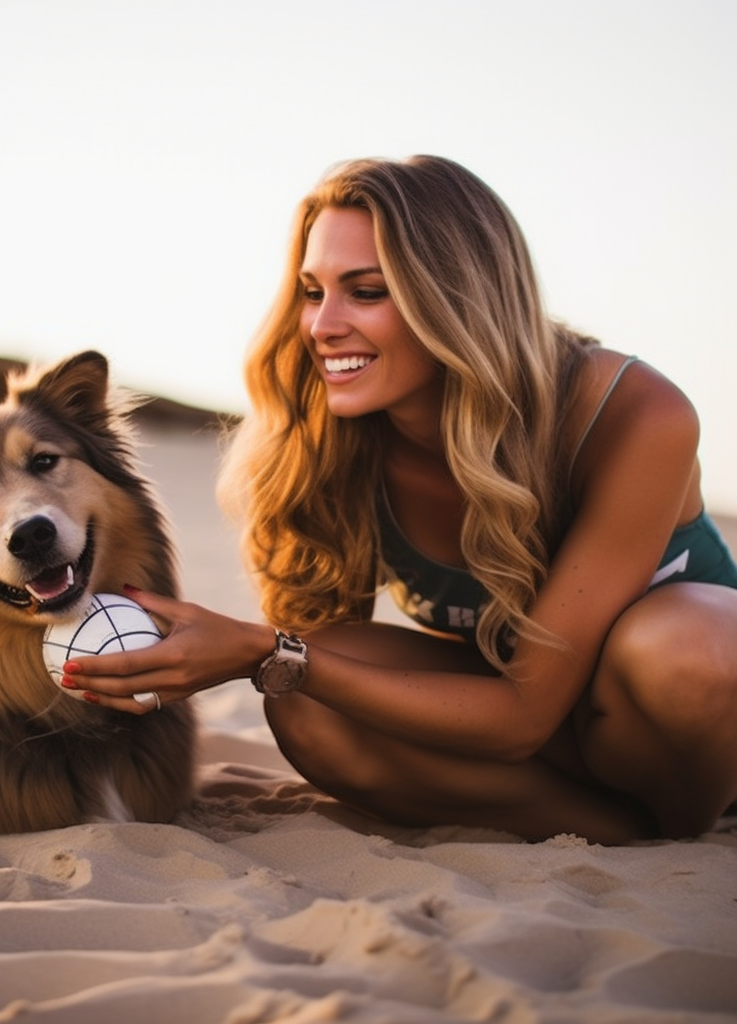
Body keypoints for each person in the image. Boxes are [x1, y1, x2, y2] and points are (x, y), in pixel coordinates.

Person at [61, 155, 737, 844]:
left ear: (458, 301)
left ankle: (680, 821)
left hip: (669, 728)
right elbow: (318, 651)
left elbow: (526, 715)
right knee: (303, 699)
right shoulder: (330, 439)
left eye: (367, 291)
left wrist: (256, 649)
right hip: (544, 741)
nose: (323, 326)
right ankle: (620, 833)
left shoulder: (632, 412)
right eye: (312, 290)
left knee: (686, 644)